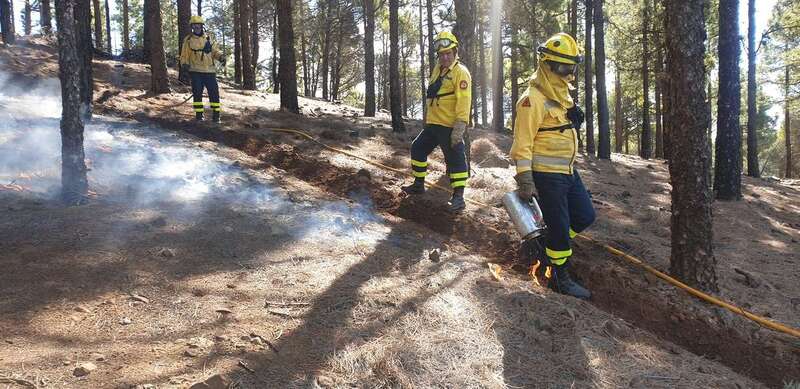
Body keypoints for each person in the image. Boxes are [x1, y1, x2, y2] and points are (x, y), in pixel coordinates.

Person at [510, 32, 596, 299]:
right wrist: (525, 178)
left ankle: (545, 246)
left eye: (572, 67)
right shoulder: (531, 99)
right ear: (547, 65)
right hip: (547, 176)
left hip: (568, 170)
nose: (569, 73)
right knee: (560, 227)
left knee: (584, 216)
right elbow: (522, 142)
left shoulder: (561, 94)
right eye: (563, 67)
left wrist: (572, 117)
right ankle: (559, 277)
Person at [400, 31, 472, 212]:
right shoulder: (437, 69)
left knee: (455, 160)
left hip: (449, 125)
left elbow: (464, 100)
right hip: (434, 124)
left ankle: (458, 198)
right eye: (442, 54)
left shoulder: (461, 73)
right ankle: (418, 184)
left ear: (455, 52)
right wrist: (427, 118)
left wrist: (460, 126)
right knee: (418, 148)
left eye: (448, 53)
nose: (445, 57)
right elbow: (432, 95)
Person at [179, 16, 225, 122]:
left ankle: (216, 115)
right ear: (192, 27)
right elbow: (184, 55)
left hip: (210, 71)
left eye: (198, 24)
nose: (196, 27)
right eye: (194, 25)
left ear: (202, 26)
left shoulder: (208, 38)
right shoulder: (188, 40)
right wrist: (184, 64)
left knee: (214, 93)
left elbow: (215, 51)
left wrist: (221, 57)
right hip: (195, 71)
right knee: (197, 93)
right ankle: (199, 115)